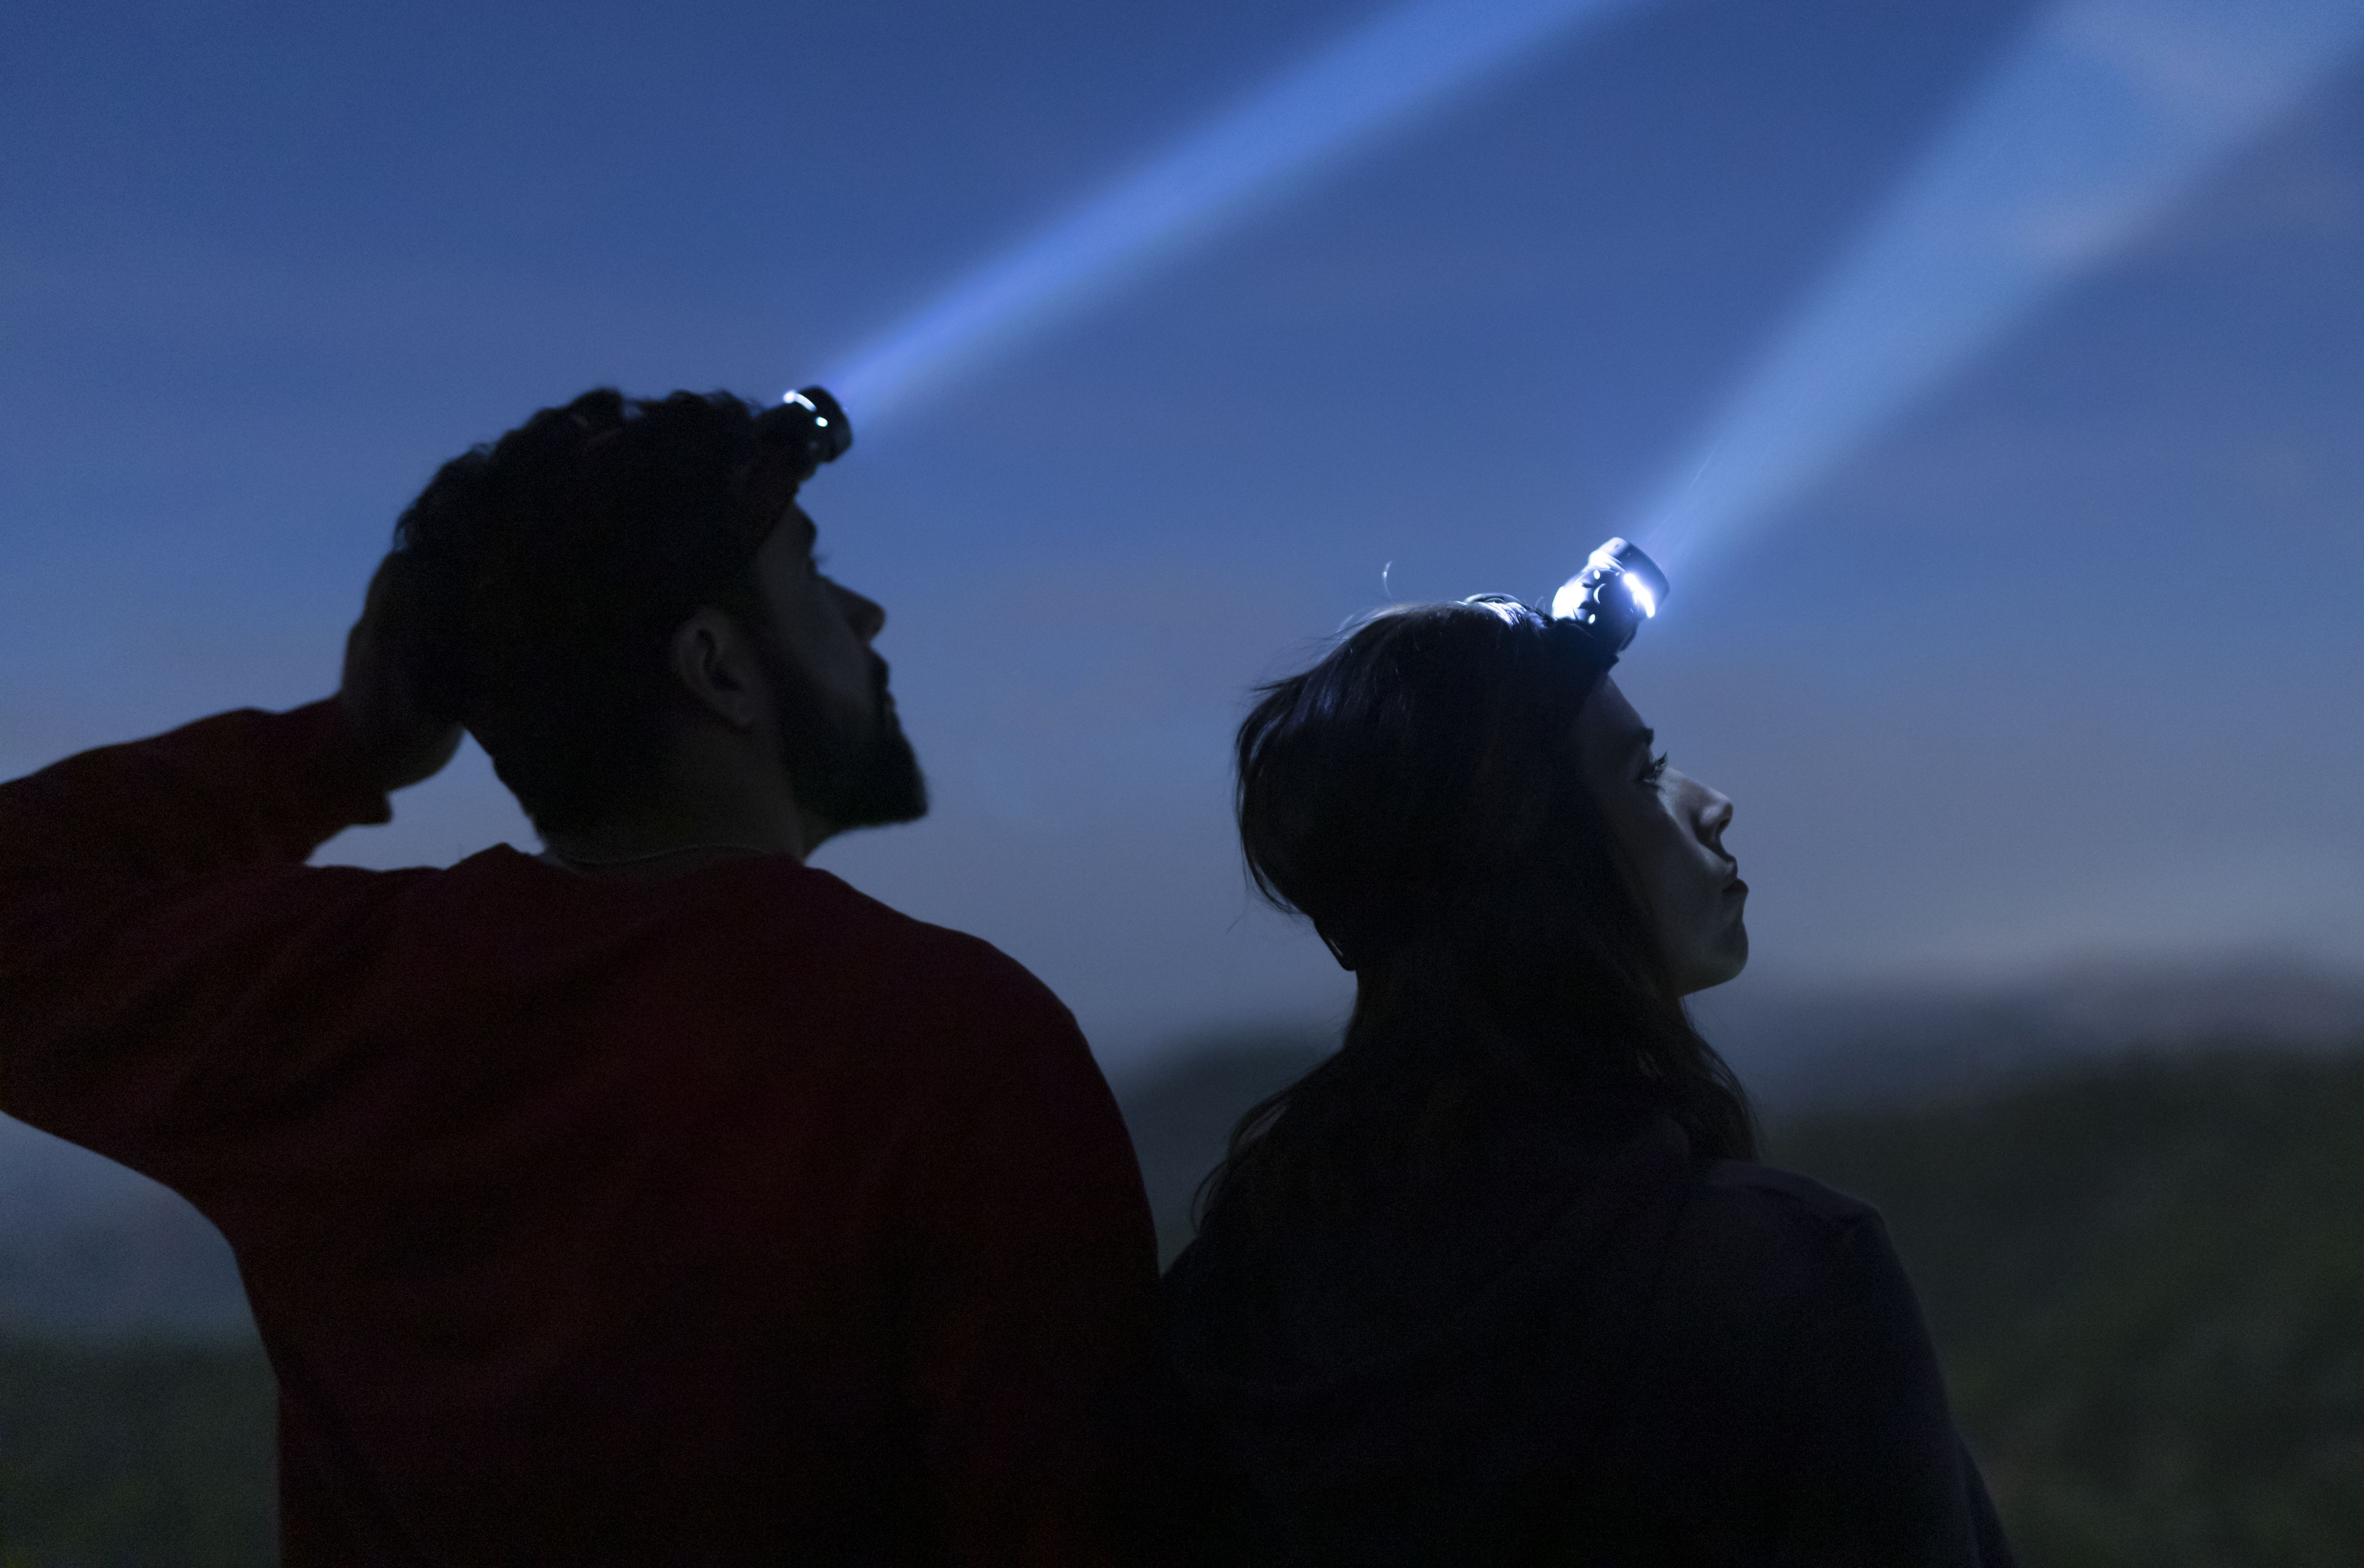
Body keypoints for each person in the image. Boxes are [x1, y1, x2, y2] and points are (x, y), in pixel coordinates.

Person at [0, 389, 1159, 1564]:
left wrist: (342, 745)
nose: (867, 611)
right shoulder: (955, 1042)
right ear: (716, 667)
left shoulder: (339, 1000)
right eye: (813, 574)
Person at [1159, 596, 2016, 1565]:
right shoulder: (1785, 1281)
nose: (1712, 802)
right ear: (1534, 857)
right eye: (1645, 774)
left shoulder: (1226, 1306)